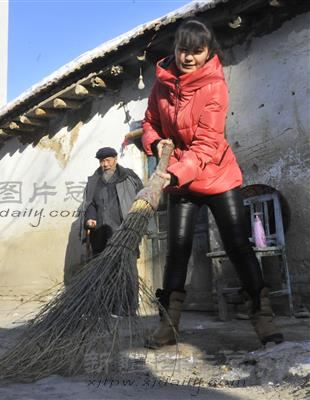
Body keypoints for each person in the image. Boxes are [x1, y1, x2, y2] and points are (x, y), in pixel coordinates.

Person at [142, 19, 283, 347]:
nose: (188, 58)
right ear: (175, 49)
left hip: (217, 175)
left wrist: (174, 173)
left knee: (237, 245)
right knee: (177, 251)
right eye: (183, 50)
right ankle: (169, 325)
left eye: (197, 51)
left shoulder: (215, 86)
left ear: (208, 52)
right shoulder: (161, 84)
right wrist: (155, 143)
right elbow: (150, 122)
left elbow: (207, 144)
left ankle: (262, 317)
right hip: (180, 179)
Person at [82, 147, 143, 255]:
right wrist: (90, 218)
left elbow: (142, 199)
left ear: (116, 159)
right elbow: (91, 203)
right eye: (102, 161)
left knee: (125, 262)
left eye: (108, 160)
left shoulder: (129, 177)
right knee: (101, 263)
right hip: (100, 235)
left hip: (124, 232)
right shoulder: (94, 181)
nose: (105, 164)